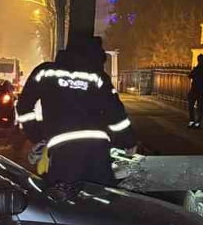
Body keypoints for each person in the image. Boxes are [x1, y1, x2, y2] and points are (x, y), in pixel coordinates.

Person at [15, 36, 136, 185]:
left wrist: (37, 135)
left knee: (63, 194)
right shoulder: (98, 77)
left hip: (62, 148)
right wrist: (128, 141)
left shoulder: (45, 72)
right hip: (97, 148)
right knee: (98, 194)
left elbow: (24, 105)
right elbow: (116, 114)